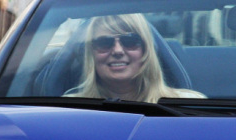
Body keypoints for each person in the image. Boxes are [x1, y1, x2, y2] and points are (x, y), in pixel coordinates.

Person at [65, 13, 203, 102]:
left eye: (130, 41)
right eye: (104, 43)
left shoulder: (189, 103)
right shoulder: (67, 109)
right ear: (91, 54)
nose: (117, 51)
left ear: (146, 50)